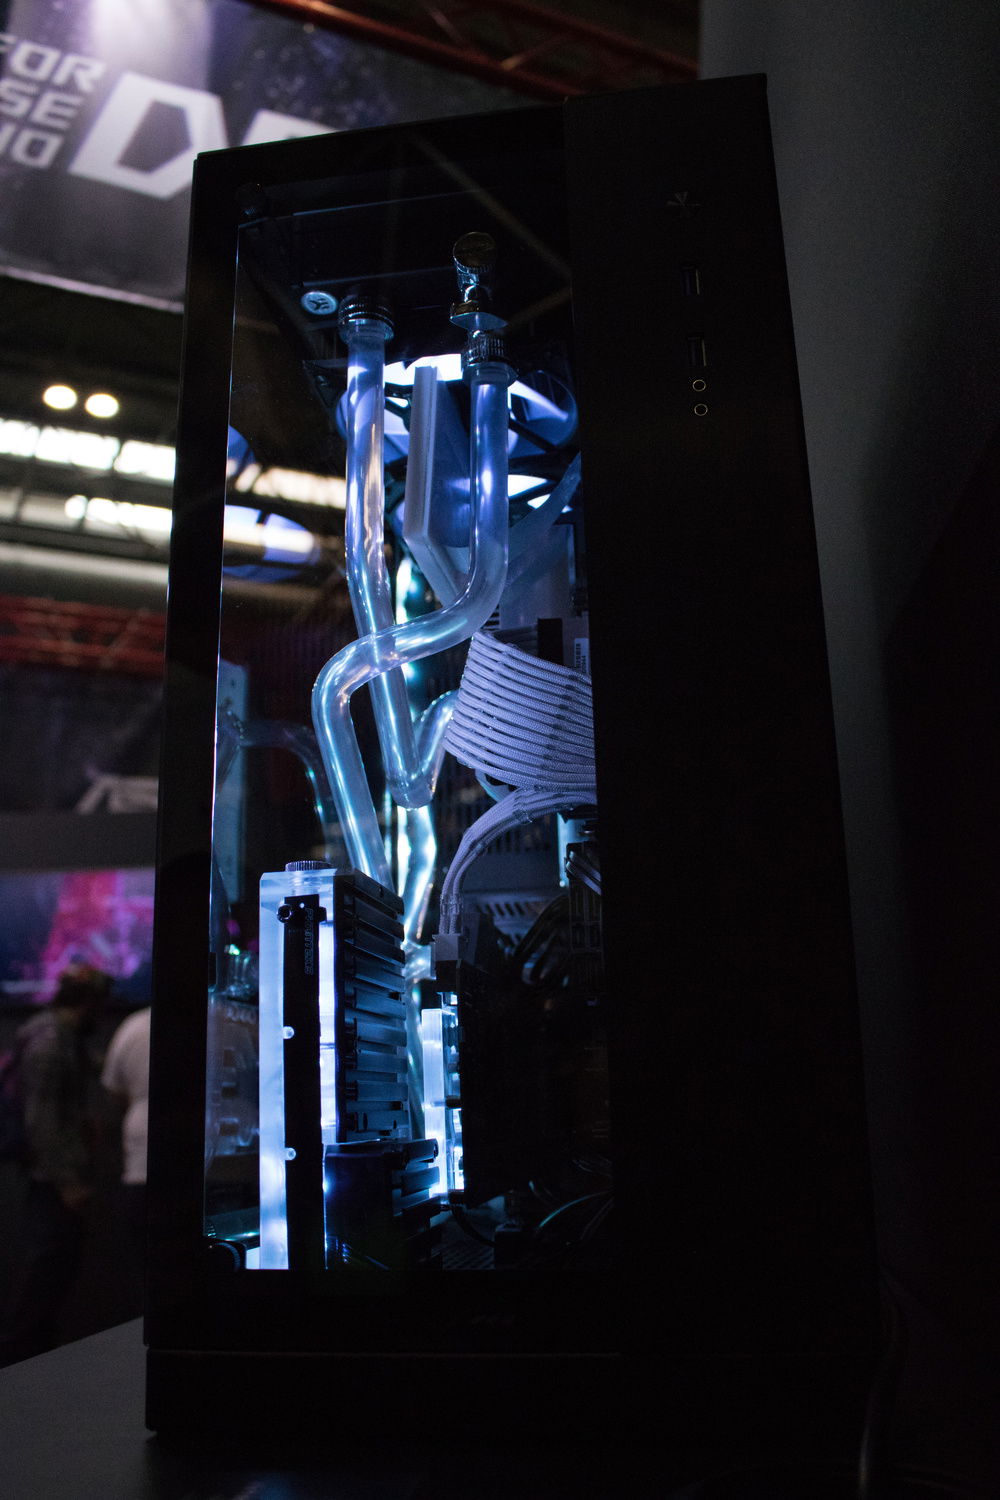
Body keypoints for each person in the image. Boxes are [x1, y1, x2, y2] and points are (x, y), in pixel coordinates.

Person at [0, 962, 111, 1365]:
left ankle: (33, 1356)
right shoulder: (50, 1043)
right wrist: (67, 1183)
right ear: (91, 1002)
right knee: (44, 1270)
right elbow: (42, 1122)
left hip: (56, 1177)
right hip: (53, 1181)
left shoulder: (61, 1037)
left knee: (54, 1270)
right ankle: (21, 1362)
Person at [100, 1004, 151, 1284]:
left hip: (139, 1167)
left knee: (143, 1268)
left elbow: (113, 1087)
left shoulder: (134, 1026)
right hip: (215, 1170)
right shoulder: (219, 1017)